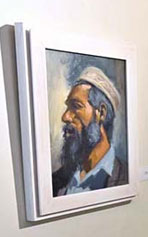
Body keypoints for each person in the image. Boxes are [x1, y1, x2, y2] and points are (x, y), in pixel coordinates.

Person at [52, 66, 128, 196]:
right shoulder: (56, 181)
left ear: (101, 113)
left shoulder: (125, 175)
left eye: (76, 106)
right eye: (67, 107)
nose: (65, 117)